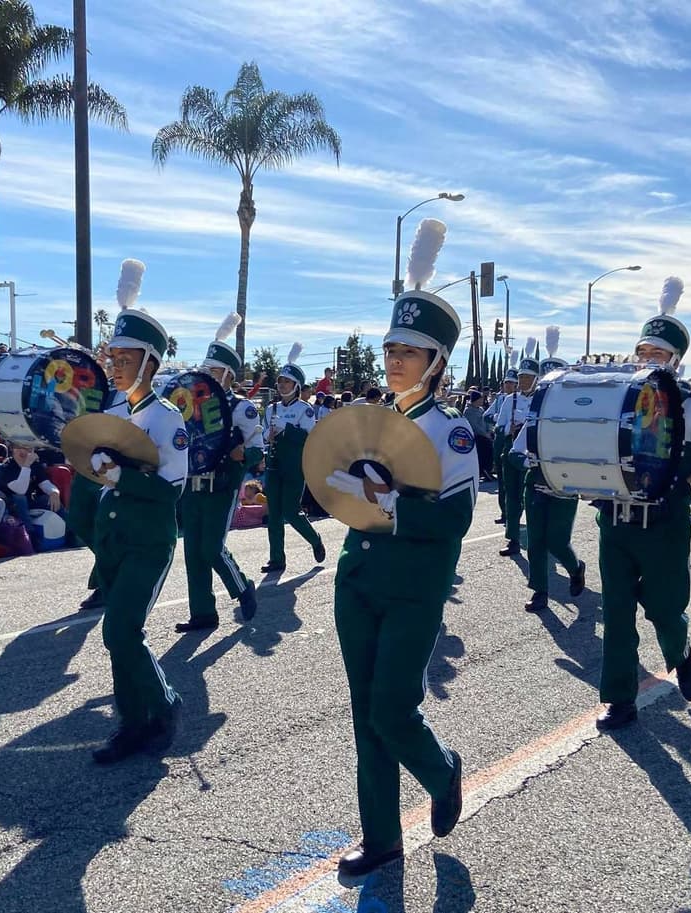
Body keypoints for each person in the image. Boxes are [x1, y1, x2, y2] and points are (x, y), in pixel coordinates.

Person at [322, 224, 471, 876]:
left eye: (411, 349)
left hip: (413, 585)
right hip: (357, 578)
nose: (396, 357)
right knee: (365, 717)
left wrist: (387, 500)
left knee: (392, 709)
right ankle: (381, 835)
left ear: (438, 361)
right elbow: (345, 485)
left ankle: (442, 773)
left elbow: (455, 517)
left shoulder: (450, 429)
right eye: (390, 346)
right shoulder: (376, 420)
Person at [594, 277, 691, 731]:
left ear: (676, 361)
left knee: (665, 608)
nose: (647, 360)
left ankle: (680, 649)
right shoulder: (615, 403)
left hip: (666, 523)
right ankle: (618, 698)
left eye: (657, 354)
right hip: (615, 520)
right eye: (642, 351)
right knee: (617, 612)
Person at [86, 292, 188, 764]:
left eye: (126, 358)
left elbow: (171, 490)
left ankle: (164, 704)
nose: (116, 365)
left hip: (148, 538)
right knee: (118, 635)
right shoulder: (113, 413)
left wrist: (122, 475)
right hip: (113, 535)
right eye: (113, 357)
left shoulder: (167, 419)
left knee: (122, 629)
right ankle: (131, 722)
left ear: (150, 362)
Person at [176, 313, 265, 632]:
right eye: (206, 370)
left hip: (222, 485)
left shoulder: (242, 408)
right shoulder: (189, 404)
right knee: (192, 554)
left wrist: (242, 452)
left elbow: (259, 452)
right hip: (192, 485)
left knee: (211, 548)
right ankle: (203, 613)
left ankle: (242, 587)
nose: (207, 376)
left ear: (227, 375)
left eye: (213, 371)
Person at [512, 333, 584, 613]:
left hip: (565, 490)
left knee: (557, 541)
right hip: (537, 489)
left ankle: (576, 567)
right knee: (536, 542)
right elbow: (515, 454)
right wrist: (530, 462)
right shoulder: (535, 418)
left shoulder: (580, 422)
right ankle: (540, 590)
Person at [261, 344, 326, 573]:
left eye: (287, 382)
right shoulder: (271, 408)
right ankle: (276, 558)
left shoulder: (304, 409)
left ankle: (315, 539)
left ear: (296, 386)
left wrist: (286, 429)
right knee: (274, 514)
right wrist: (267, 436)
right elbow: (262, 434)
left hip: (295, 466)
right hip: (274, 464)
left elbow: (309, 437)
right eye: (280, 381)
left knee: (290, 510)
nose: (282, 385)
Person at [496, 339, 538, 556]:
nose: (522, 381)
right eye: (520, 377)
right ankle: (512, 538)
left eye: (527, 377)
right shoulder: (508, 400)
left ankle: (535, 539)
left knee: (529, 499)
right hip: (511, 451)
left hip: (531, 456)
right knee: (511, 498)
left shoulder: (541, 399)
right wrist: (509, 429)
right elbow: (499, 426)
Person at [0, 444, 61, 535]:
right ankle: (29, 534)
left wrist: (54, 492)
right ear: (13, 449)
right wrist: (26, 466)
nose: (23, 451)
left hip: (29, 501)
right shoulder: (6, 467)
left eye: (27, 448)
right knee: (20, 498)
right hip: (10, 505)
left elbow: (45, 483)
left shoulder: (34, 465)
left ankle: (71, 532)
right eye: (19, 447)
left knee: (49, 499)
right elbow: (20, 490)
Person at [485, 358, 518, 524]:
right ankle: (504, 512)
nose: (508, 386)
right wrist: (497, 418)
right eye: (506, 383)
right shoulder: (499, 400)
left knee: (514, 482)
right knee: (502, 481)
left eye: (511, 383)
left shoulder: (519, 399)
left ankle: (514, 512)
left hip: (516, 442)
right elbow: (486, 416)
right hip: (500, 442)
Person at [463, 390, 493, 481]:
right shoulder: (468, 411)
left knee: (490, 450)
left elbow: (486, 421)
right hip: (476, 436)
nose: (482, 401)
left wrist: (490, 431)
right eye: (480, 399)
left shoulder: (481, 409)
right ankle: (482, 470)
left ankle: (488, 470)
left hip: (485, 435)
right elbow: (474, 425)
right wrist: (485, 434)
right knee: (482, 451)